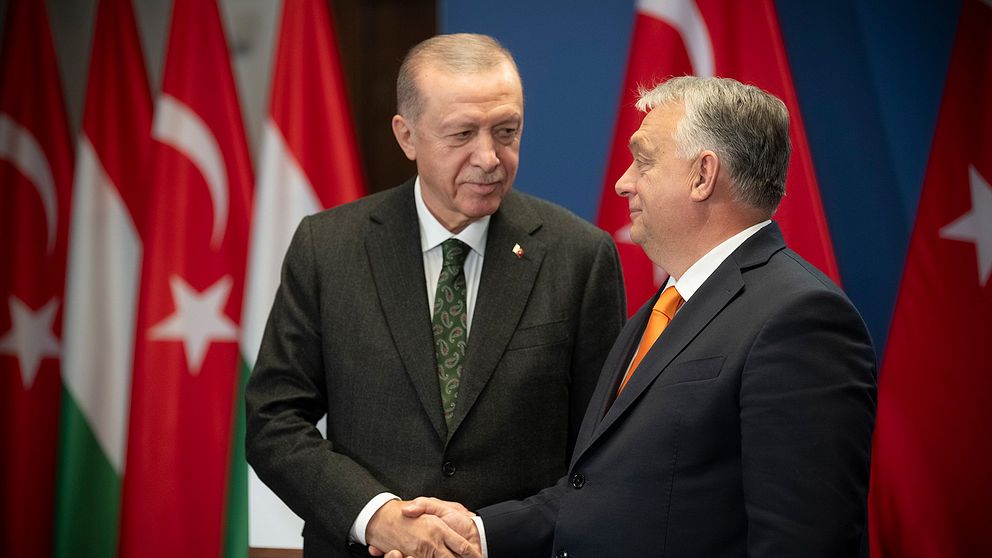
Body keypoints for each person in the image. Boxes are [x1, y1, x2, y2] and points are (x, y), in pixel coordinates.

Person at [397, 76, 878, 557]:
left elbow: (803, 541)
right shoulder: (665, 307)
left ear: (703, 175)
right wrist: (477, 533)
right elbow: (600, 491)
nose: (622, 182)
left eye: (644, 161)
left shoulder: (800, 319)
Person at [244, 33, 626, 558]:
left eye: (507, 131)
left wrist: (489, 533)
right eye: (462, 134)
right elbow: (274, 421)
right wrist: (375, 517)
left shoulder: (580, 256)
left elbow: (602, 454)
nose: (489, 158)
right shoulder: (328, 247)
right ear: (407, 136)